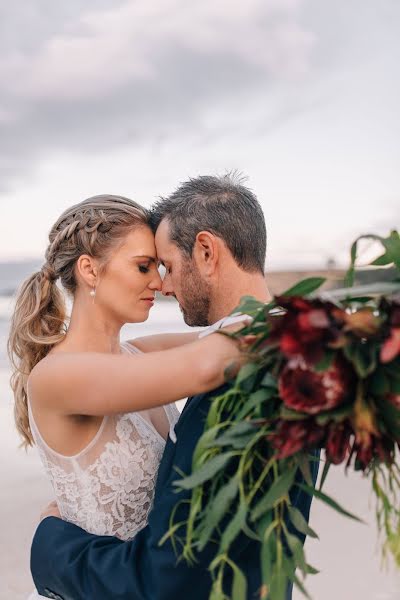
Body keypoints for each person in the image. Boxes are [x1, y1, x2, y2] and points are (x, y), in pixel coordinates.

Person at [29, 175, 318, 599]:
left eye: (162, 266)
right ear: (89, 269)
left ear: (205, 251)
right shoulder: (57, 377)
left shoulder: (142, 355)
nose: (160, 284)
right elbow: (211, 358)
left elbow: (224, 335)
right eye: (145, 266)